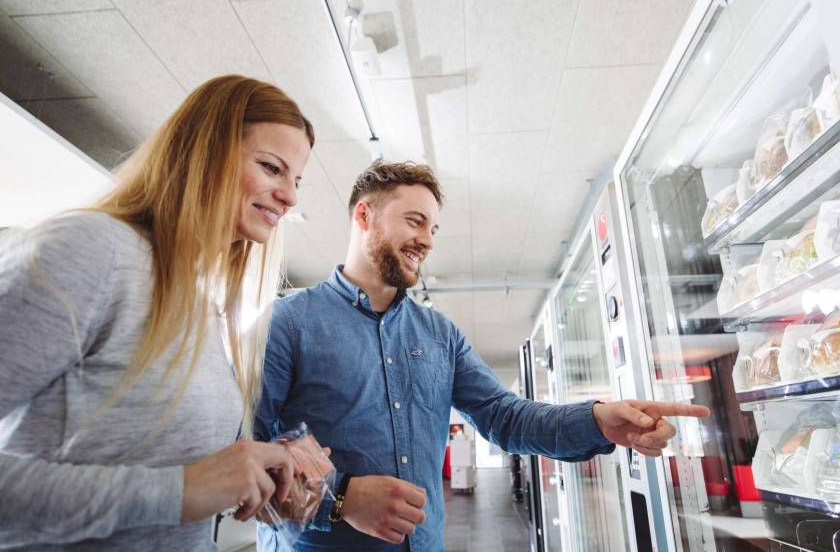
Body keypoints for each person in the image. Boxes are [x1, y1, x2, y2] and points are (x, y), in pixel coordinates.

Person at [256, 161, 710, 551]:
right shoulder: (289, 322)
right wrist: (341, 499)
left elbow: (503, 416)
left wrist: (596, 420)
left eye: (432, 228)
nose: (427, 240)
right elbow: (248, 450)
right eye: (414, 221)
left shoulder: (439, 334)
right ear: (364, 215)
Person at [0, 75, 315, 551]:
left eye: (296, 180)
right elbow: (177, 490)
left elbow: (166, 471)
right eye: (272, 168)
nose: (290, 197)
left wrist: (250, 474)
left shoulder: (197, 299)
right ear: (205, 152)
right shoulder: (92, 252)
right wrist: (182, 491)